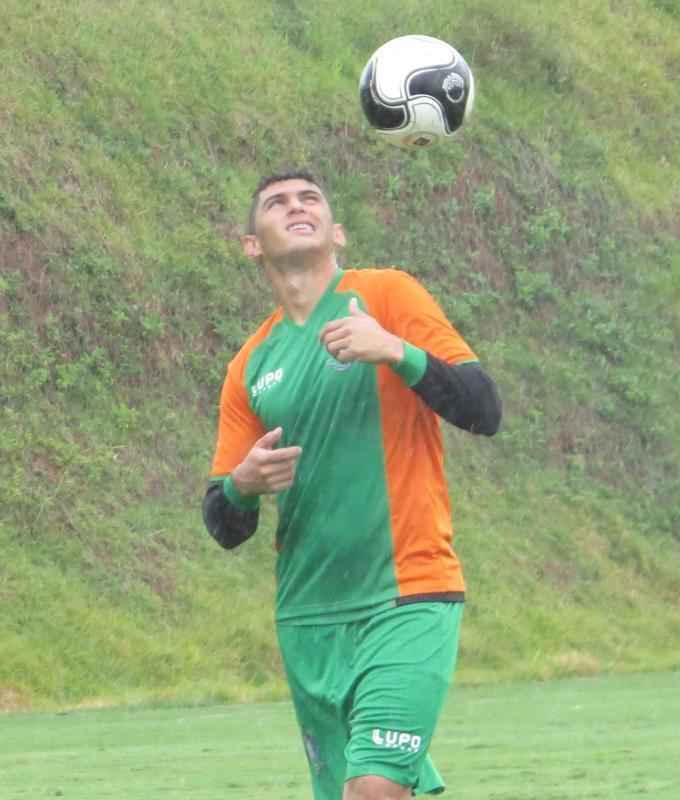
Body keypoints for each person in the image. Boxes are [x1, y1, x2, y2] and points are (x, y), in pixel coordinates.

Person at [202, 169, 501, 800]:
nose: (296, 207)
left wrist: (397, 350)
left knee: (372, 789)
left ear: (337, 231)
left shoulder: (388, 296)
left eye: (310, 199)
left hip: (409, 593)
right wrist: (243, 485)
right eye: (277, 203)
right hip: (308, 614)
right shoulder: (249, 365)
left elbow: (484, 408)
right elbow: (224, 522)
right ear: (251, 243)